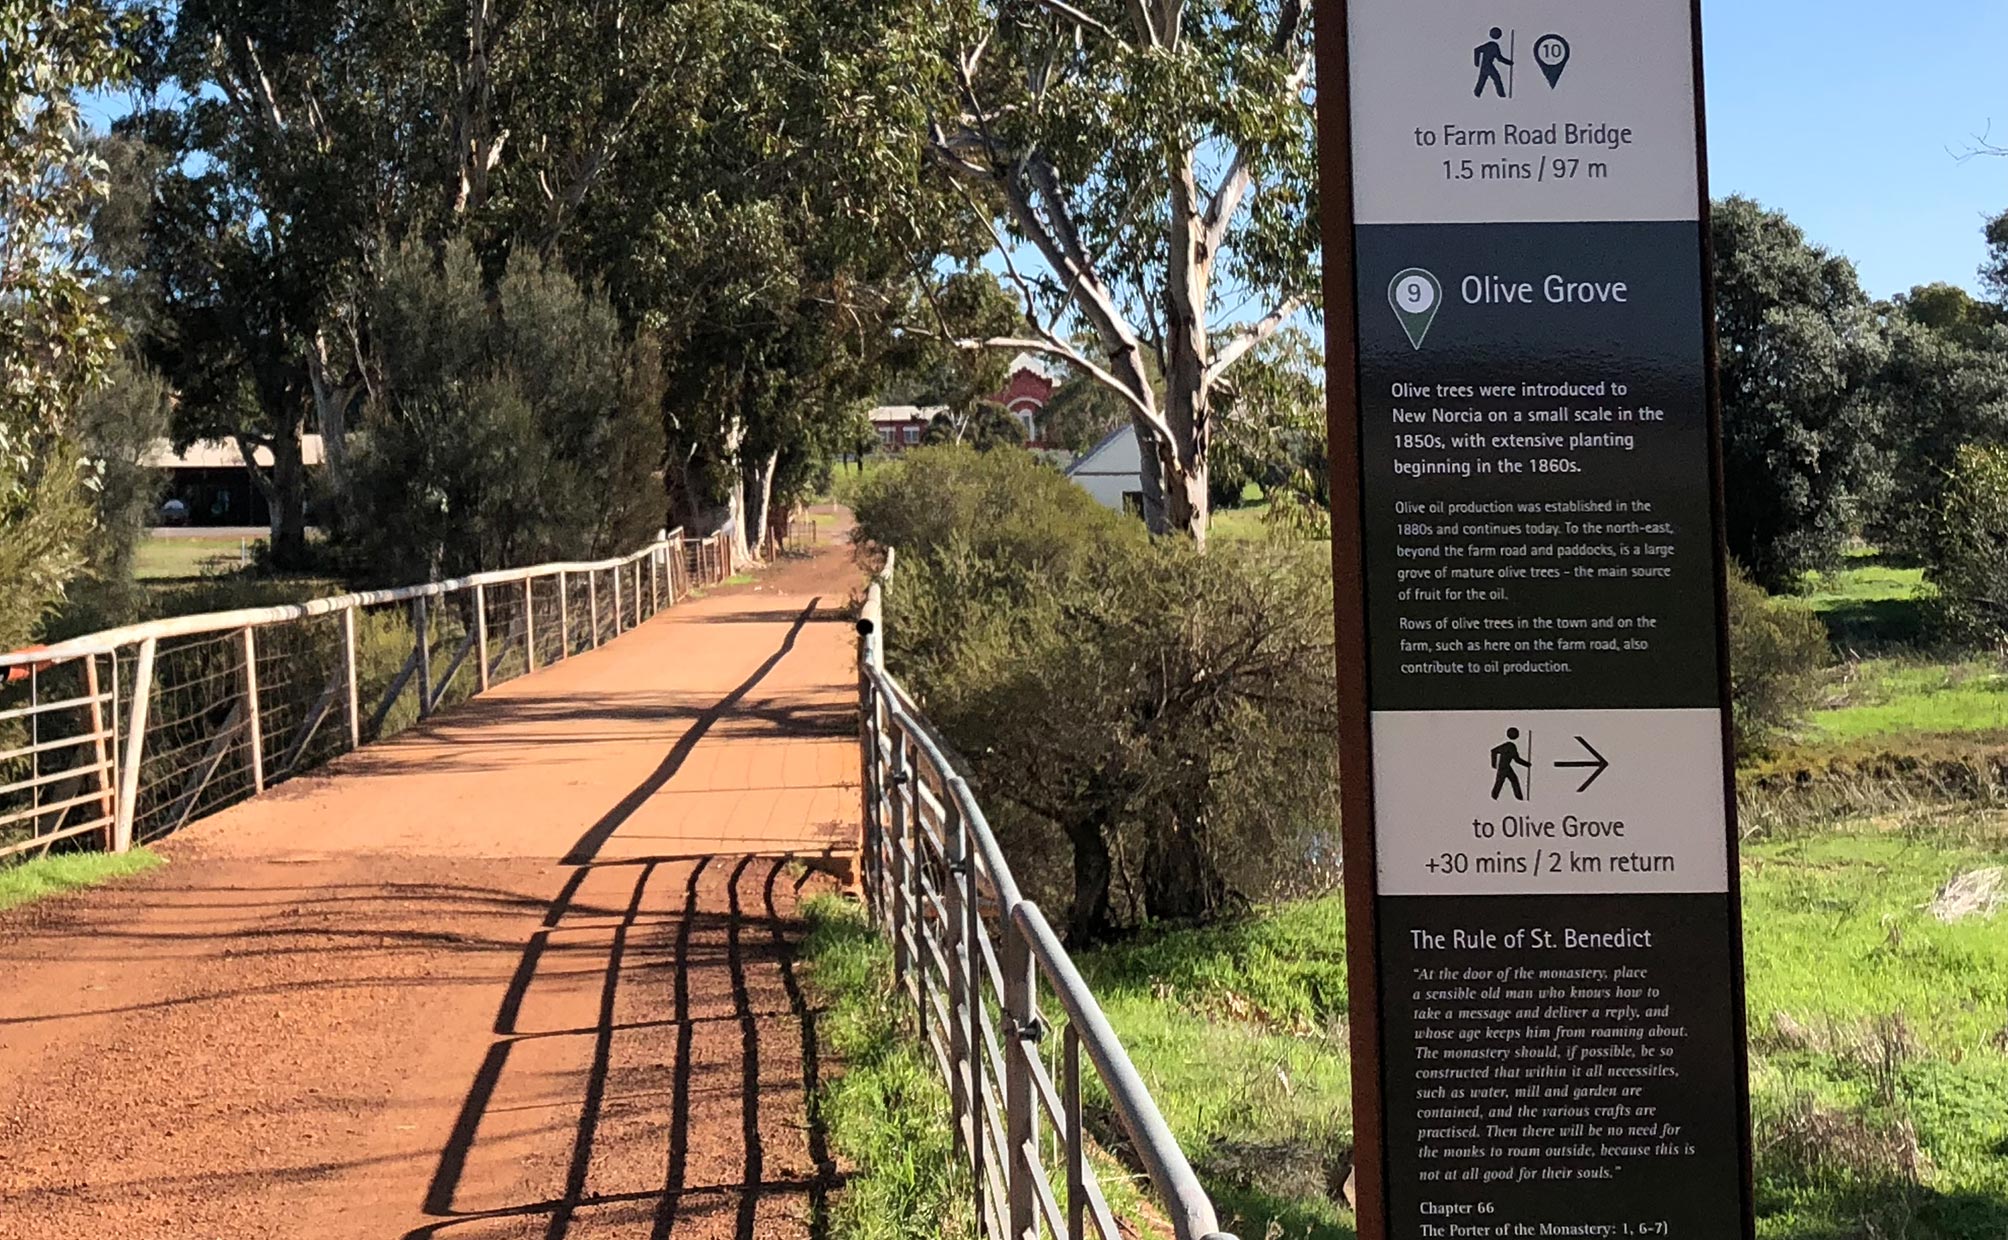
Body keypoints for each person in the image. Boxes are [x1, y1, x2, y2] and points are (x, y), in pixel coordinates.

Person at [1490, 727, 1531, 801]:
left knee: (1511, 780)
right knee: (1500, 782)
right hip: (1504, 768)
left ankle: (1519, 797)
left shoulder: (1507, 745)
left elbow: (1493, 751)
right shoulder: (1511, 747)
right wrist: (1527, 764)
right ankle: (1494, 797)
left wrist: (1494, 764)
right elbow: (1517, 760)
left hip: (1505, 767)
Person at [1474, 28, 1512, 99]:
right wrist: (1509, 62)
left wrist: (1477, 63)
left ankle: (1477, 92)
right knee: (1496, 78)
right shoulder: (1494, 46)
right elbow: (1499, 58)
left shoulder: (1489, 44)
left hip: (1484, 66)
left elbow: (1477, 50)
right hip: (1489, 66)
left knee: (1482, 80)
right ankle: (1501, 94)